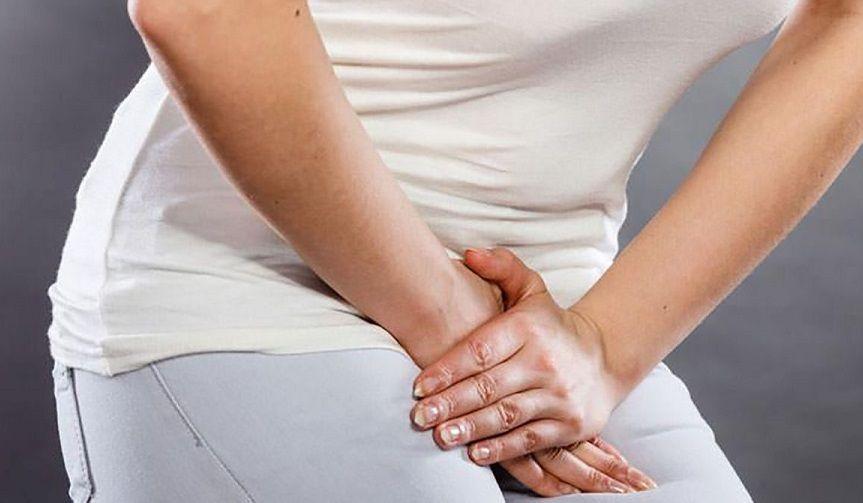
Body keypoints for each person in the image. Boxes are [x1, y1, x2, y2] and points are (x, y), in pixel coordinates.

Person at [49, 0, 863, 501]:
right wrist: (451, 319)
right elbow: (204, 12)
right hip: (252, 278)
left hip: (550, 307)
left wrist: (605, 347)